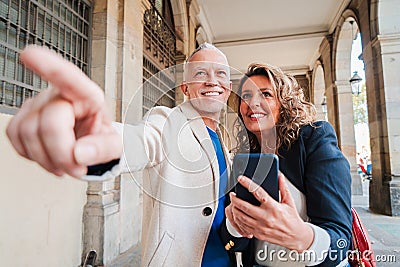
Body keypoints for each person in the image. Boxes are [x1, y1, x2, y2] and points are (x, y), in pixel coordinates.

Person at [6, 43, 235, 266]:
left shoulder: (223, 143)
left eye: (220, 74)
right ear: (185, 88)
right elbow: (137, 141)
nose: (212, 81)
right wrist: (94, 138)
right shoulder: (167, 122)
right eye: (201, 73)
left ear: (229, 87)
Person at [220, 63, 352, 266]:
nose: (253, 102)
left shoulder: (314, 138)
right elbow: (231, 244)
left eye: (265, 94)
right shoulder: (244, 159)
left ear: (285, 102)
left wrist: (303, 238)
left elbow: (341, 240)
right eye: (246, 96)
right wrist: (235, 226)